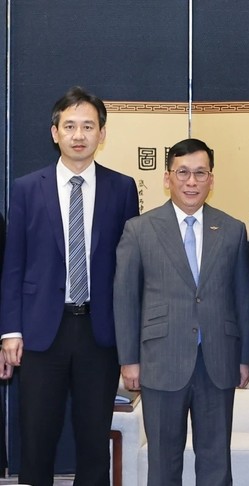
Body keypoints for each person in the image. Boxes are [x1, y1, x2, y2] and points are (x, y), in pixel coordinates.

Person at [0, 86, 139, 486]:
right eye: (70, 126)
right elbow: (13, 264)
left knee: (94, 439)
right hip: (41, 331)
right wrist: (10, 331)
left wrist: (130, 340)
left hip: (100, 332)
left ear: (102, 133)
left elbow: (130, 271)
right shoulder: (27, 188)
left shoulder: (122, 188)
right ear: (55, 132)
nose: (79, 135)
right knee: (37, 436)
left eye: (88, 126)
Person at [114, 138, 249, 485]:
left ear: (211, 179)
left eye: (200, 173)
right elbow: (125, 296)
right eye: (183, 173)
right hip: (161, 360)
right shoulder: (140, 229)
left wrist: (245, 358)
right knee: (163, 462)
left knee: (216, 462)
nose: (191, 182)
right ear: (167, 178)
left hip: (218, 360)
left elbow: (244, 298)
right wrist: (129, 359)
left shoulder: (233, 229)